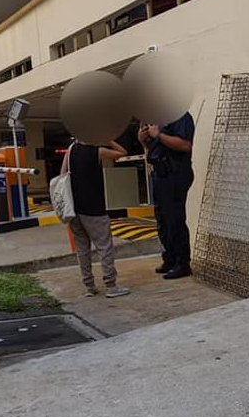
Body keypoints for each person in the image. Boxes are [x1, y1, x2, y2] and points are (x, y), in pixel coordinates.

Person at [61, 138, 130, 297]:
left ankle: (89, 286)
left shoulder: (71, 150)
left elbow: (62, 174)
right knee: (104, 246)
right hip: (94, 208)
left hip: (74, 209)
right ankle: (111, 286)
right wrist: (109, 139)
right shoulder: (97, 151)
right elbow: (123, 153)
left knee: (82, 249)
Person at [138, 112, 195, 279]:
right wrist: (144, 140)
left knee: (174, 220)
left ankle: (182, 263)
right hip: (159, 174)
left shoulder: (180, 116)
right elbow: (155, 147)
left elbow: (185, 145)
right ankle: (169, 259)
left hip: (175, 174)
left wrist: (159, 135)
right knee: (162, 220)